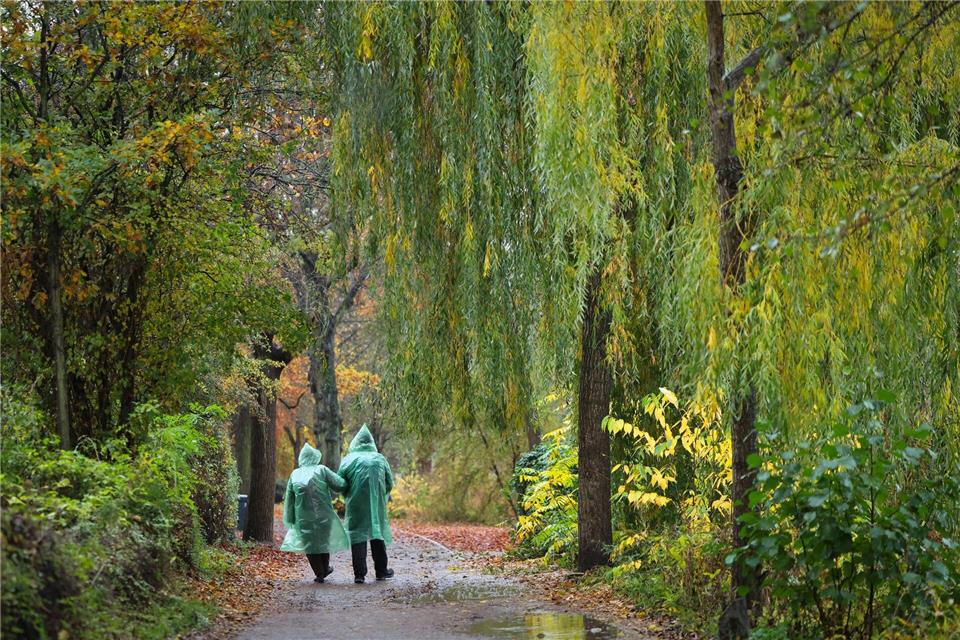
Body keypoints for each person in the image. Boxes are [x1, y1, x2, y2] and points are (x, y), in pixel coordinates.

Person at [280, 443, 350, 583]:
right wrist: (348, 479)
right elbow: (339, 485)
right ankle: (324, 569)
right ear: (314, 457)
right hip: (324, 515)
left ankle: (320, 572)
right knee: (323, 541)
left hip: (303, 517)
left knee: (309, 545)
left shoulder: (295, 474)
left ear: (301, 458)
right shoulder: (321, 470)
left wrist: (290, 518)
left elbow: (290, 499)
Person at [338, 425, 394, 583]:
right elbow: (389, 483)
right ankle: (381, 571)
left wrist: (347, 494)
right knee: (377, 533)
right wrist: (380, 496)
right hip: (376, 503)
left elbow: (340, 482)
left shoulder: (348, 460)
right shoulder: (380, 459)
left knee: (357, 535)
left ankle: (359, 575)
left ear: (355, 442)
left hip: (356, 503)